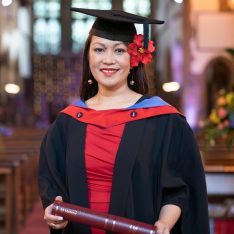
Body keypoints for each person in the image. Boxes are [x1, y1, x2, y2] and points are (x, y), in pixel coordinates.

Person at [38, 8, 210, 234]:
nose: (108, 60)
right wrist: (53, 212)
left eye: (119, 50)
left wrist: (165, 223)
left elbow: (180, 190)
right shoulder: (66, 125)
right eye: (99, 49)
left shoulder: (165, 122)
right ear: (88, 55)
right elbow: (53, 189)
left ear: (134, 58)